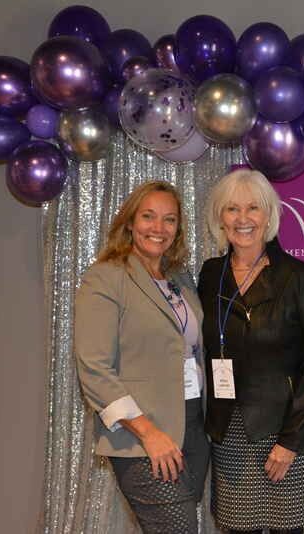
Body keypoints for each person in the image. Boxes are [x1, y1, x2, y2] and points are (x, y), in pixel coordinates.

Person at [198, 168, 304, 534]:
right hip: (229, 432)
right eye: (232, 209)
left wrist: (291, 441)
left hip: (283, 431)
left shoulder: (300, 277)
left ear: (269, 216)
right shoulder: (210, 275)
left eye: (253, 208)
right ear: (220, 218)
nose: (243, 218)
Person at [74, 181, 209, 534]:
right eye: (148, 216)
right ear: (130, 222)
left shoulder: (180, 278)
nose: (158, 228)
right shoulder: (105, 277)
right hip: (143, 437)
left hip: (193, 428)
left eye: (169, 219)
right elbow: (94, 368)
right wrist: (149, 433)